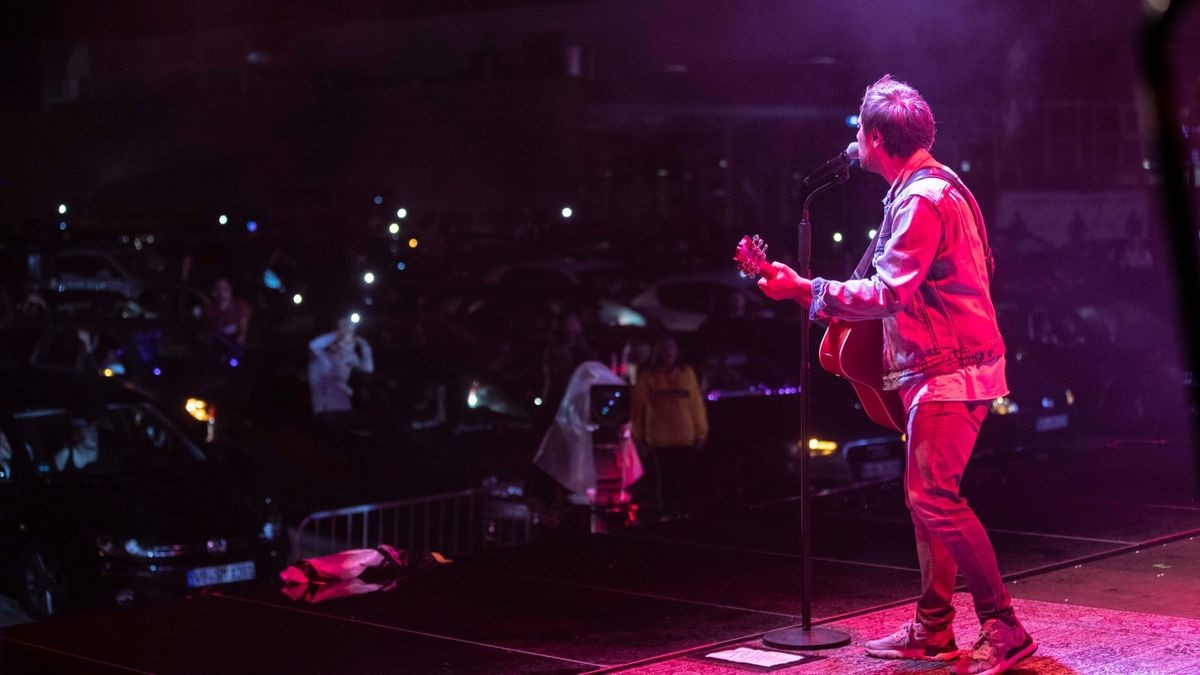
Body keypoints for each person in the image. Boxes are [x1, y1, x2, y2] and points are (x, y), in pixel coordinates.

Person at [755, 75, 1036, 674]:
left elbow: (889, 292)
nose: (856, 140)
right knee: (928, 501)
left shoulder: (919, 200)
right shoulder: (937, 188)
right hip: (947, 366)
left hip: (949, 371)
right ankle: (935, 629)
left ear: (878, 137)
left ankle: (1004, 626)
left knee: (932, 497)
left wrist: (805, 289)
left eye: (860, 130)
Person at [630, 335, 708, 519]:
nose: (667, 353)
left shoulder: (686, 373)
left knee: (685, 482)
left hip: (685, 438)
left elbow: (696, 404)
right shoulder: (648, 377)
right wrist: (638, 438)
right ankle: (667, 517)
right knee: (665, 482)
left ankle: (684, 516)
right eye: (663, 348)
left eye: (670, 348)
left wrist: (701, 431)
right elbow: (635, 409)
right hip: (660, 441)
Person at [308, 316, 375, 435]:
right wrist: (339, 333)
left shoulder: (348, 356)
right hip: (327, 412)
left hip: (344, 409)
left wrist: (365, 346)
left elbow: (368, 369)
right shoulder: (322, 357)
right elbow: (314, 345)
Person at [203, 278, 252, 347]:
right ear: (214, 292)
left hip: (235, 345)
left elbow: (243, 327)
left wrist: (240, 340)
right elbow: (209, 328)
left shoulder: (241, 305)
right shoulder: (209, 309)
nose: (225, 290)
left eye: (227, 287)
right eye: (221, 288)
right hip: (216, 345)